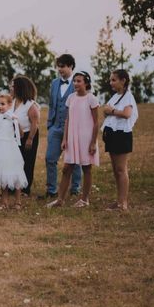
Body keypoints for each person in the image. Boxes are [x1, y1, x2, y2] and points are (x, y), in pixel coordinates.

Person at [47, 71, 99, 208]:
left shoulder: (91, 99)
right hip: (72, 137)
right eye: (74, 81)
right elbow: (68, 119)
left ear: (86, 83)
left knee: (87, 168)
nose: (75, 83)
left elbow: (96, 122)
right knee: (66, 168)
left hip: (86, 137)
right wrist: (64, 139)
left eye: (79, 81)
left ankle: (85, 199)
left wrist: (93, 142)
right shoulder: (71, 98)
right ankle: (60, 200)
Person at [43, 54, 81, 198]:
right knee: (50, 158)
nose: (60, 69)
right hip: (55, 127)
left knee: (74, 160)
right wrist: (50, 125)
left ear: (71, 66)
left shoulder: (78, 83)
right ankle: (51, 190)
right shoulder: (54, 83)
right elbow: (52, 104)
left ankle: (75, 188)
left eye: (63, 66)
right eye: (58, 66)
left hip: (73, 128)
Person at [102, 69, 138, 211]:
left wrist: (111, 111)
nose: (111, 82)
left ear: (123, 81)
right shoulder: (116, 96)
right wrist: (109, 111)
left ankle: (123, 203)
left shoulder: (128, 96)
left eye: (114, 80)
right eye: (111, 80)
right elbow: (105, 110)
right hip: (112, 134)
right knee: (115, 170)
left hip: (122, 135)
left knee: (121, 169)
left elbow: (126, 114)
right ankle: (119, 201)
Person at [0, 93, 27, 208]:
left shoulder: (12, 118)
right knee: (3, 175)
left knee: (15, 173)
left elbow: (22, 134)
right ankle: (4, 202)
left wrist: (16, 122)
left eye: (3, 104)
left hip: (10, 149)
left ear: (9, 105)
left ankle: (18, 201)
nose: (0, 106)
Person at [11, 75, 40, 195]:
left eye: (13, 86)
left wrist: (30, 139)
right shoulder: (13, 101)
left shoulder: (30, 104)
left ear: (19, 88)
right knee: (15, 161)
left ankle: (25, 189)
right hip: (16, 135)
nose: (10, 88)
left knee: (27, 162)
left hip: (28, 135)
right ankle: (14, 187)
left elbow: (35, 122)